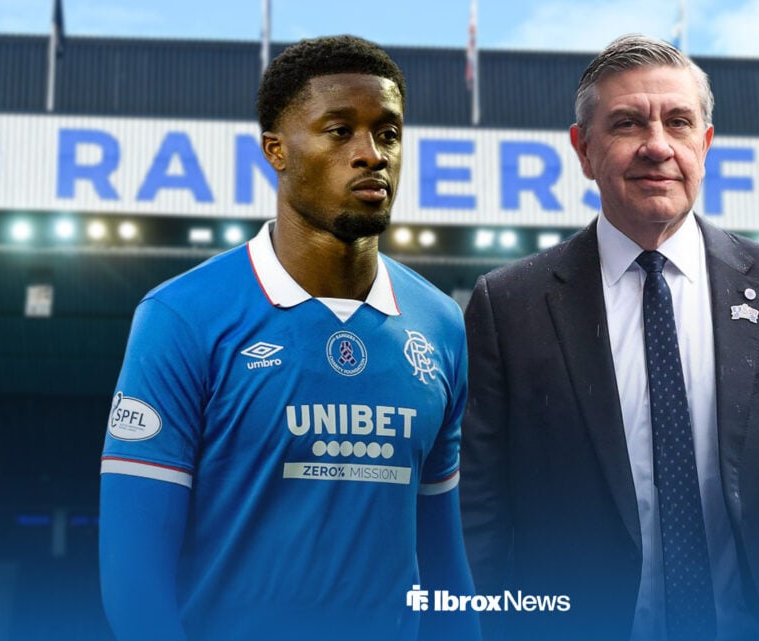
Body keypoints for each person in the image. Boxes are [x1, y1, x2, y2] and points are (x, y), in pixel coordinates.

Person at [460, 34, 759, 641]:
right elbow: (481, 514)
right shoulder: (507, 304)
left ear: (704, 144)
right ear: (584, 149)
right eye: (627, 124)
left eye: (679, 123)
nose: (657, 146)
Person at [99, 35, 478, 641]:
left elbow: (444, 563)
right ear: (277, 150)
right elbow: (133, 576)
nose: (371, 154)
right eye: (338, 131)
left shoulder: (440, 324)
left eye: (388, 132)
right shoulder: (182, 316)